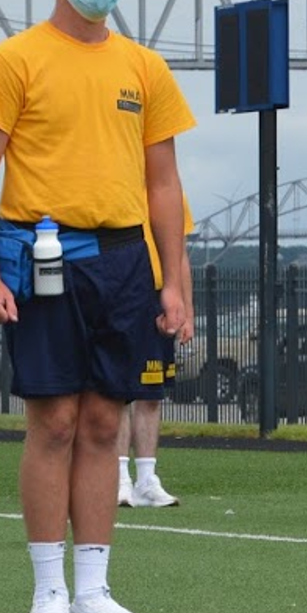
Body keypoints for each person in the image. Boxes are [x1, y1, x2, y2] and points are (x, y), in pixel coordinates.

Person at [0, 0, 193, 613]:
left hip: (125, 259)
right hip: (46, 253)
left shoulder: (143, 66)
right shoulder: (15, 58)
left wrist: (173, 279)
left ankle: (93, 590)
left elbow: (164, 183)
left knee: (103, 421)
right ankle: (47, 592)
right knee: (53, 420)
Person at [119, 196, 194, 509]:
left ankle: (147, 479)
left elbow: (180, 256)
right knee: (119, 391)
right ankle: (119, 477)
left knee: (151, 392)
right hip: (122, 293)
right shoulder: (119, 186)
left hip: (157, 297)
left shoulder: (171, 195)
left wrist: (187, 311)